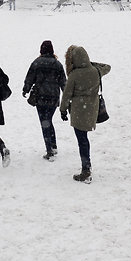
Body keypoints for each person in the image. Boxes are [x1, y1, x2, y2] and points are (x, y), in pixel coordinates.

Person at [59, 45, 110, 183]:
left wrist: (63, 110)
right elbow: (108, 67)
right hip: (91, 110)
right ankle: (86, 167)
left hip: (78, 112)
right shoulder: (96, 71)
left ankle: (86, 170)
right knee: (84, 139)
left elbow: (66, 95)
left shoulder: (74, 75)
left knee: (82, 140)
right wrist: (90, 64)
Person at [22, 40, 67, 160]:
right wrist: (67, 96)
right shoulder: (57, 65)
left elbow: (29, 78)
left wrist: (25, 89)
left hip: (40, 98)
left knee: (44, 122)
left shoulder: (37, 63)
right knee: (48, 120)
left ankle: (49, 151)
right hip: (53, 98)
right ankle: (53, 145)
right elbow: (64, 83)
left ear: (41, 50)